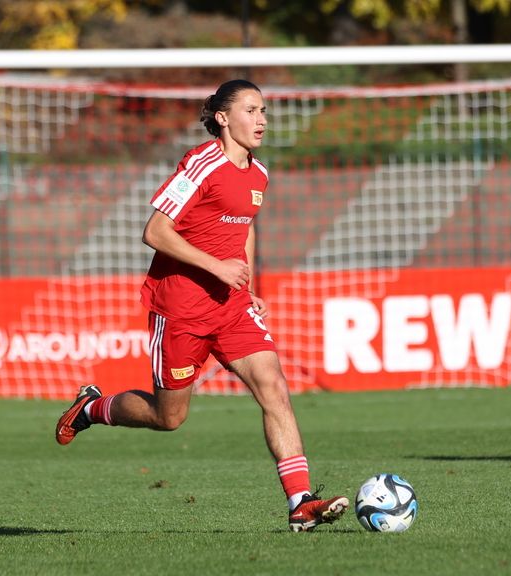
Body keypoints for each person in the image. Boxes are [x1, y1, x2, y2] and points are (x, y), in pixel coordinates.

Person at [54, 79, 348, 532]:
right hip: (180, 308)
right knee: (168, 417)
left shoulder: (259, 174)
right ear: (224, 118)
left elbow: (242, 228)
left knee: (274, 386)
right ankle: (91, 408)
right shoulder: (199, 163)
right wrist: (216, 267)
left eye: (264, 110)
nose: (262, 120)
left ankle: (300, 501)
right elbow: (155, 232)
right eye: (251, 110)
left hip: (230, 307)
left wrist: (244, 286)